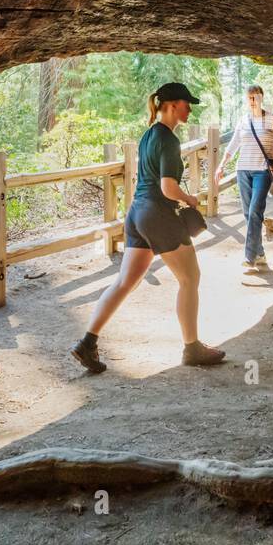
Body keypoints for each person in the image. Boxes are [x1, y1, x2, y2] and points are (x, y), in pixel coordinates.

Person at [70, 82, 226, 374]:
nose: (189, 108)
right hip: (158, 214)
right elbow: (168, 187)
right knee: (190, 278)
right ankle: (192, 348)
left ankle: (87, 343)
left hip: (137, 213)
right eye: (185, 103)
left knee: (124, 281)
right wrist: (189, 198)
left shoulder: (148, 135)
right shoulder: (168, 139)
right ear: (170, 105)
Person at [218, 84, 273, 272]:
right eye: (249, 97)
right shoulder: (243, 120)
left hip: (262, 171)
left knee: (255, 211)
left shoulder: (271, 119)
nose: (252, 100)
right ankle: (261, 253)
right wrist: (221, 165)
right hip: (243, 171)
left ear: (262, 97)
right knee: (248, 214)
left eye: (255, 96)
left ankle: (249, 257)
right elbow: (233, 144)